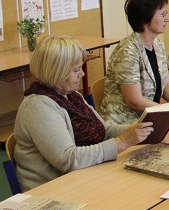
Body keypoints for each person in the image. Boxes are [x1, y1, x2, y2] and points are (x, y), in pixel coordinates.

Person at [13, 35, 154, 191]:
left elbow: (104, 130)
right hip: (54, 189)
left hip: (83, 178)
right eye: (76, 70)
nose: (82, 74)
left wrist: (137, 131)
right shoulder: (38, 107)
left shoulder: (72, 96)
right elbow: (68, 159)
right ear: (57, 72)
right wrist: (121, 142)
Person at [100, 0, 169, 126]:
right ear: (145, 19)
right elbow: (134, 101)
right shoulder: (127, 51)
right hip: (126, 123)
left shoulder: (158, 45)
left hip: (151, 118)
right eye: (162, 14)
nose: (167, 19)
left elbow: (167, 86)